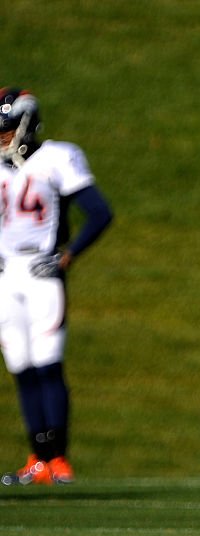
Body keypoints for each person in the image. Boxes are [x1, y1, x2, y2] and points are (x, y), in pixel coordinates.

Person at [0, 88, 113, 486]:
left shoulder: (57, 157)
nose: (3, 136)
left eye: (8, 128)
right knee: (21, 367)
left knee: (48, 363)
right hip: (4, 275)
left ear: (27, 124)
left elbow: (99, 213)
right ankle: (37, 458)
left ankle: (58, 458)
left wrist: (68, 255)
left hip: (42, 270)